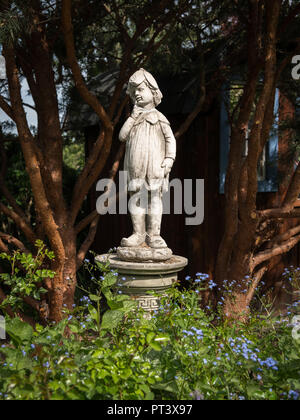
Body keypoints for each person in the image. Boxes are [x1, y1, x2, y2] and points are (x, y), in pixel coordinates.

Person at [119, 68, 176, 248]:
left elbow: (170, 139)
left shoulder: (160, 118)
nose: (137, 94)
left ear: (153, 91)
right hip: (135, 167)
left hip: (155, 167)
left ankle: (154, 234)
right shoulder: (133, 118)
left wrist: (169, 159)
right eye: (134, 90)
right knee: (136, 198)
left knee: (154, 199)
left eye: (141, 89)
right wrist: (132, 117)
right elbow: (122, 136)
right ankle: (137, 234)